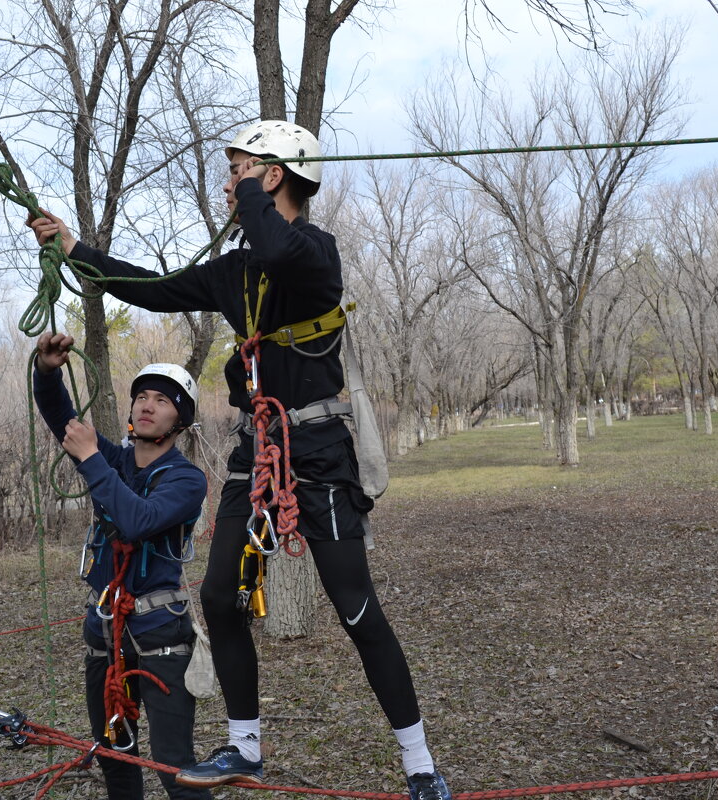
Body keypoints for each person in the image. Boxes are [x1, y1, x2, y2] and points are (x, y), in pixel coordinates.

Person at [28, 120, 451, 800]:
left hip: (318, 451)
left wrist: (254, 187)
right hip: (257, 453)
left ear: (273, 177)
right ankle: (245, 748)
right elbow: (152, 288)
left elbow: (278, 246)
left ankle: (421, 764)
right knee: (220, 596)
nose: (227, 184)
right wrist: (75, 247)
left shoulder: (314, 254)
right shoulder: (235, 271)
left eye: (239, 171)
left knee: (356, 609)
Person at [32, 331, 210, 800]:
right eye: (141, 398)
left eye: (162, 400)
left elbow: (138, 521)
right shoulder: (115, 461)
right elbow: (63, 422)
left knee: (175, 767)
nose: (147, 406)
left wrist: (92, 458)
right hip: (104, 635)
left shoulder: (188, 480)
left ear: (180, 419)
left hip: (160, 639)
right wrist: (48, 372)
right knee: (114, 757)